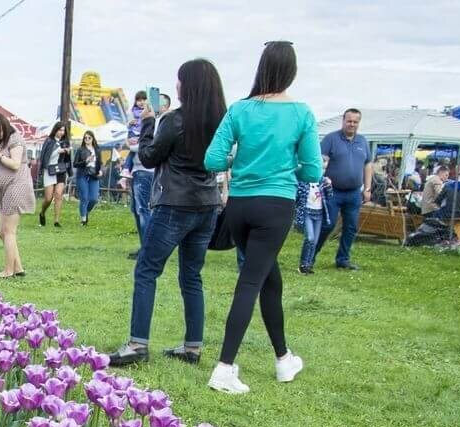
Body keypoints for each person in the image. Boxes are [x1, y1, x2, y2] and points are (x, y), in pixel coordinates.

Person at [201, 41, 320, 394]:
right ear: (292, 71)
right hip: (275, 205)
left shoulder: (240, 110)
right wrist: (284, 167)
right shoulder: (301, 113)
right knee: (251, 282)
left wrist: (242, 162)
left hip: (239, 206)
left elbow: (212, 160)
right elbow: (312, 169)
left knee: (269, 280)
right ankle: (224, 368)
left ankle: (284, 359)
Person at [110, 58, 227, 367]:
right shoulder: (221, 121)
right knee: (191, 275)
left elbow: (148, 157)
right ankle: (193, 346)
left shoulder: (176, 120)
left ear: (188, 85)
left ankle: (137, 344)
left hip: (175, 204)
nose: (176, 85)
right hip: (207, 204)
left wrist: (148, 123)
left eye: (180, 80)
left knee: (147, 269)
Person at [314, 107, 370, 270]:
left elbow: (368, 164)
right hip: (333, 191)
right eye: (349, 121)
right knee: (328, 225)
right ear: (343, 121)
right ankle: (310, 256)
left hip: (354, 193)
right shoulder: (331, 139)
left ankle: (343, 259)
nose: (352, 124)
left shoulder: (363, 141)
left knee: (351, 226)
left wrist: (367, 188)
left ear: (359, 123)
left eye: (355, 122)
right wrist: (323, 176)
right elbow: (321, 161)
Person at [0, 111, 34, 278]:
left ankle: (8, 270)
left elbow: (15, 164)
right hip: (5, 190)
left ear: (2, 126)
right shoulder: (2, 142)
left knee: (8, 230)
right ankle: (18, 268)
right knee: (1, 230)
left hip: (17, 186)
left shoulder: (15, 139)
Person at [37, 121, 72, 227]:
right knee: (48, 198)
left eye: (63, 130)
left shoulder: (65, 142)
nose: (61, 132)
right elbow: (44, 157)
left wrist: (68, 152)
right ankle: (42, 212)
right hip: (49, 170)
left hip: (61, 170)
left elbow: (68, 159)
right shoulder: (49, 141)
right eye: (59, 130)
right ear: (55, 130)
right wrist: (58, 151)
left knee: (58, 194)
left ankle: (56, 221)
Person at [295, 177, 333, 273]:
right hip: (307, 212)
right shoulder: (303, 181)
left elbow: (330, 196)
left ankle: (308, 264)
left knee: (315, 241)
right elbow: (297, 197)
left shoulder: (322, 181)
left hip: (319, 214)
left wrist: (329, 185)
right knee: (310, 238)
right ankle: (303, 264)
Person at [73, 130, 102, 226]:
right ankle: (83, 219)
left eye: (89, 138)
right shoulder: (80, 150)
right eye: (85, 138)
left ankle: (86, 212)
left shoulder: (97, 150)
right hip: (82, 175)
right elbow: (75, 164)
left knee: (94, 199)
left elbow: (99, 163)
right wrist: (86, 161)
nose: (87, 139)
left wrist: (100, 171)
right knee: (84, 197)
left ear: (93, 138)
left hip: (94, 175)